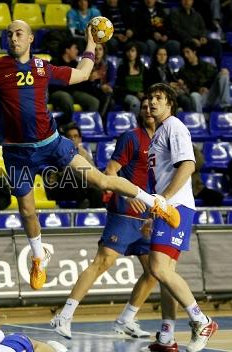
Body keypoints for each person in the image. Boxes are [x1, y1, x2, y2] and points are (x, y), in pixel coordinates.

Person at [0, 19, 181, 292]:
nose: (13, 38)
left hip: (52, 144)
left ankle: (155, 203)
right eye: (9, 34)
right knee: (27, 210)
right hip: (17, 153)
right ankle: (38, 256)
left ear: (31, 39)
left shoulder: (42, 67)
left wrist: (91, 43)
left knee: (101, 181)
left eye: (19, 33)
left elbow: (82, 74)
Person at [51, 98, 158, 340]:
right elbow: (110, 172)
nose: (148, 110)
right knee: (102, 263)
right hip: (124, 211)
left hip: (148, 216)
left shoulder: (165, 142)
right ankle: (63, 316)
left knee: (154, 271)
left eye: (152, 106)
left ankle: (126, 319)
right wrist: (129, 196)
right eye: (144, 107)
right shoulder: (131, 138)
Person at [145, 83, 218, 352]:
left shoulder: (174, 126)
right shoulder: (160, 132)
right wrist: (154, 210)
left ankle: (202, 320)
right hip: (165, 207)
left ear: (169, 104)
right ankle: (167, 336)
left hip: (175, 207)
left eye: (158, 98)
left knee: (158, 269)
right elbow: (160, 177)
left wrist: (163, 199)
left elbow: (188, 165)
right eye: (150, 97)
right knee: (166, 274)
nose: (152, 102)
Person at [44, 123, 103, 209]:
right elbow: (54, 177)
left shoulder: (84, 153)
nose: (72, 139)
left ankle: (97, 216)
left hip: (80, 188)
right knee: (72, 172)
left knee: (96, 190)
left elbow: (93, 172)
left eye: (75, 136)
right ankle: (83, 201)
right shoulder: (58, 152)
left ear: (80, 139)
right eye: (69, 136)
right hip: (59, 188)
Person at [49, 38, 100, 125]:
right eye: (75, 48)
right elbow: (52, 83)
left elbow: (80, 84)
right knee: (66, 98)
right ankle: (67, 125)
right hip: (57, 92)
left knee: (93, 102)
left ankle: (84, 125)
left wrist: (89, 79)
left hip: (72, 92)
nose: (77, 51)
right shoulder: (55, 62)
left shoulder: (75, 64)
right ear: (67, 50)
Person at [178, 41, 230, 113]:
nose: (186, 55)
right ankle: (200, 120)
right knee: (194, 95)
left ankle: (226, 107)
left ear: (194, 51)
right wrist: (198, 89)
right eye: (184, 53)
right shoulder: (183, 70)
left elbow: (215, 77)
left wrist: (207, 87)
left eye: (188, 52)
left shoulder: (206, 65)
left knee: (223, 74)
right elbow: (187, 88)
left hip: (211, 94)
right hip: (199, 97)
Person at [144, 46, 193, 112]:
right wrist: (168, 84)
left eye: (164, 55)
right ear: (155, 56)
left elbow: (172, 80)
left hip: (170, 94)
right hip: (159, 95)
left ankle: (188, 120)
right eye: (160, 54)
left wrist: (177, 83)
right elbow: (152, 85)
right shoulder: (150, 70)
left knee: (186, 99)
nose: (162, 57)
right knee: (178, 101)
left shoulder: (167, 68)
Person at [114, 42, 147, 115]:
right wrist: (135, 93)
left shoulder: (142, 68)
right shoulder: (122, 68)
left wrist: (144, 93)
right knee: (135, 102)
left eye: (132, 51)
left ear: (137, 53)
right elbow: (120, 87)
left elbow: (147, 83)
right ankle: (135, 124)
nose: (130, 53)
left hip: (142, 93)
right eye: (128, 51)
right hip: (126, 95)